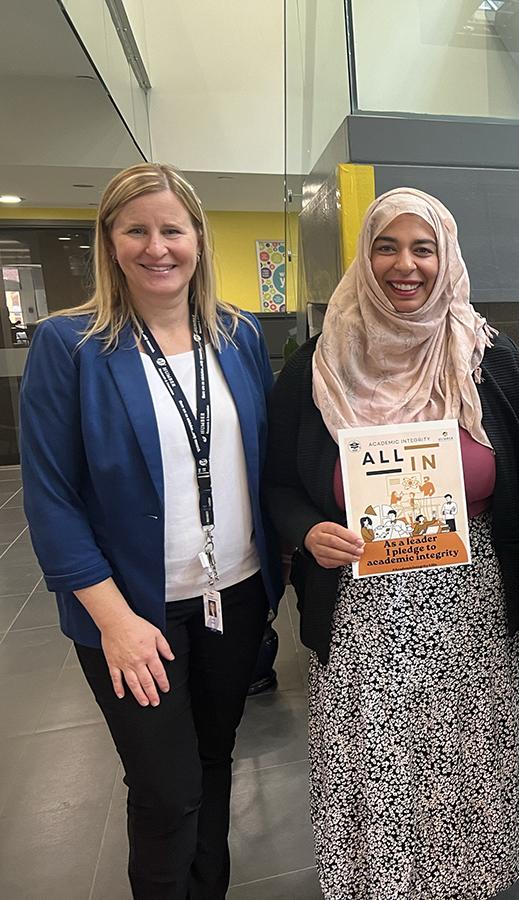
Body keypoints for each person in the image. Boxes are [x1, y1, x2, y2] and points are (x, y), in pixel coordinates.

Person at [264, 187, 519, 899]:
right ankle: (383, 881)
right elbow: (276, 485)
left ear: (446, 256)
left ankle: (472, 878)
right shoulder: (317, 365)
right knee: (380, 756)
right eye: (387, 246)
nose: (405, 265)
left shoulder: (490, 359)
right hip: (358, 604)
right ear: (365, 255)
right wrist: (305, 530)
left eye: (423, 248)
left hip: (470, 602)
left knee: (465, 748)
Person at [19, 162, 281, 899]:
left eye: (172, 229)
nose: (156, 247)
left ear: (199, 237)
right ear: (110, 242)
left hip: (234, 594)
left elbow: (263, 462)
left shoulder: (239, 336)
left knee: (213, 762)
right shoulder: (69, 346)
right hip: (131, 612)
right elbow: (52, 500)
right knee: (165, 792)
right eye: (136, 230)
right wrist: (115, 622)